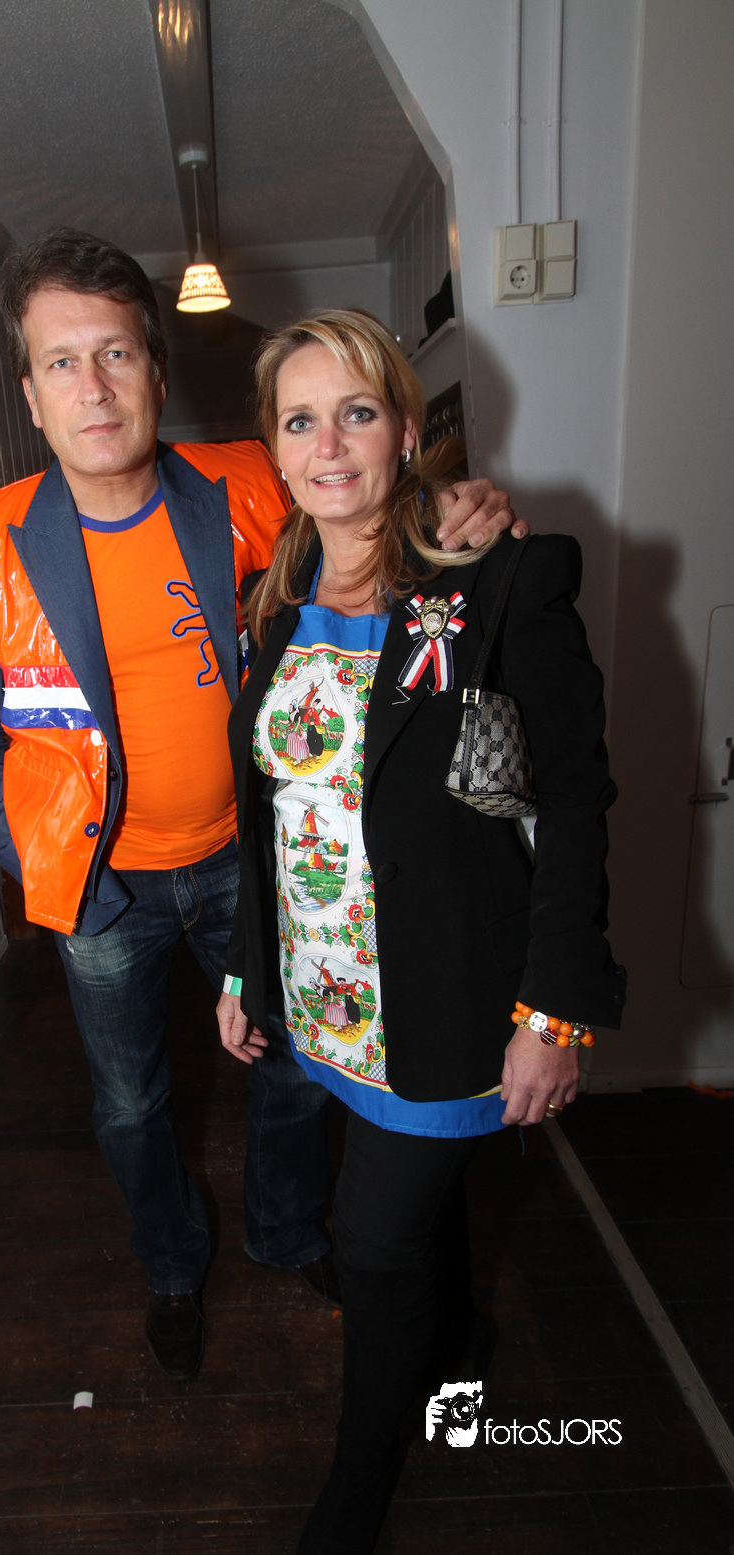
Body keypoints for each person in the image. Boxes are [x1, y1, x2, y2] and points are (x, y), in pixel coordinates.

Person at [0, 229, 524, 1383]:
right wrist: (29, 856)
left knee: (293, 1066)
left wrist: (459, 500)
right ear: (30, 393)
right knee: (129, 1101)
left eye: (115, 353)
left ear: (156, 372)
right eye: (60, 361)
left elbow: (367, 502)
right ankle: (169, 1265)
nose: (93, 386)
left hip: (249, 865)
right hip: (101, 891)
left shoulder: (245, 485)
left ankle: (285, 1231)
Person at [216, 308, 625, 1551]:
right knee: (416, 1219)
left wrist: (553, 1013)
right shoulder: (272, 601)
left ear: (404, 427)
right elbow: (271, 810)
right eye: (299, 420)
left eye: (355, 412)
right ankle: (457, 1344)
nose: (327, 444)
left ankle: (357, 1480)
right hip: (326, 996)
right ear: (274, 449)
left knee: (370, 1243)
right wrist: (243, 964)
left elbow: (574, 801)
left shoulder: (491, 577)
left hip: (448, 1004)